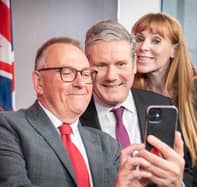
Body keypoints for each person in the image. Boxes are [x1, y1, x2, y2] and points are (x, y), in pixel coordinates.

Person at [0, 37, 155, 187]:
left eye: (86, 74)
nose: (80, 83)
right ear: (39, 82)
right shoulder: (7, 128)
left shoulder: (107, 145)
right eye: (67, 72)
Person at [80, 20, 187, 187]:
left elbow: (188, 173)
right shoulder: (74, 117)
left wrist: (178, 183)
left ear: (135, 65)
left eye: (121, 64)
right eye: (101, 65)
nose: (111, 76)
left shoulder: (162, 105)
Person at [131, 12, 197, 186]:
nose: (143, 47)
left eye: (156, 40)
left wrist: (189, 180)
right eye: (139, 39)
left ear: (174, 50)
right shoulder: (128, 92)